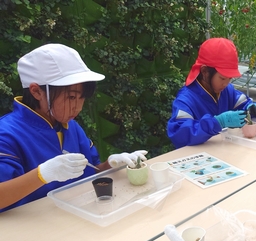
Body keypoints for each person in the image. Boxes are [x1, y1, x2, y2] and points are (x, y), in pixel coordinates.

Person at [0, 43, 148, 212]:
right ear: (36, 91)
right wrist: (42, 175)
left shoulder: (70, 125)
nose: (77, 107)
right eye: (71, 97)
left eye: (82, 98)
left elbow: (90, 172)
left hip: (78, 215)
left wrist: (111, 165)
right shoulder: (6, 134)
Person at [166, 38, 256, 148]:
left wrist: (252, 109)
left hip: (222, 154)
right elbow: (180, 135)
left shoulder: (227, 90)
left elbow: (244, 105)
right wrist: (217, 122)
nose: (226, 84)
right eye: (222, 78)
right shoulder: (186, 99)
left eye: (229, 78)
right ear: (205, 72)